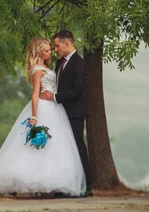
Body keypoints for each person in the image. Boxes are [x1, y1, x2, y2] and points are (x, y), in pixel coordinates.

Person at [0, 37, 86, 196]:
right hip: (43, 108)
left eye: (51, 49)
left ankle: (52, 183)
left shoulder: (48, 66)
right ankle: (28, 182)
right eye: (47, 50)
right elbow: (35, 94)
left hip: (55, 107)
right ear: (38, 52)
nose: (51, 52)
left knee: (56, 145)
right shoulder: (37, 70)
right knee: (36, 144)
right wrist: (34, 116)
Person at [40, 30, 92, 197]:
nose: (55, 49)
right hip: (60, 113)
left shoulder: (78, 63)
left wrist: (54, 97)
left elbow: (78, 90)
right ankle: (66, 185)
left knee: (77, 147)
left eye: (57, 45)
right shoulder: (61, 62)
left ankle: (87, 186)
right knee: (64, 149)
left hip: (74, 112)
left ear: (67, 43)